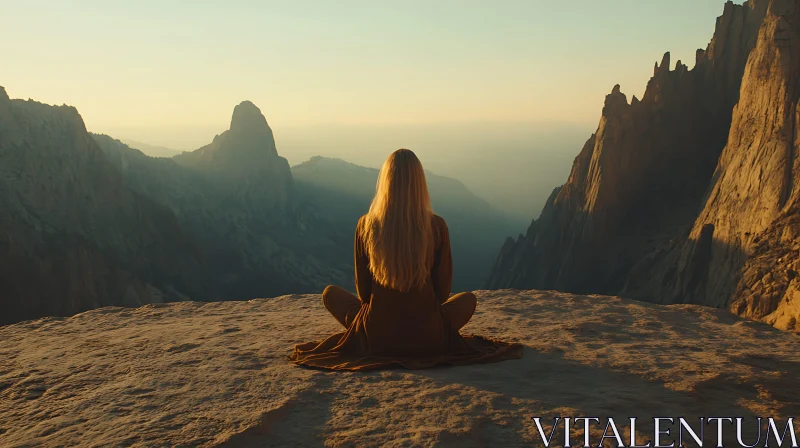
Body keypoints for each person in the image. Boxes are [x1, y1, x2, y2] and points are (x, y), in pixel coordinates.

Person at [289, 149, 522, 371]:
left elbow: (363, 293)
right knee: (468, 300)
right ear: (420, 184)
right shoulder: (437, 226)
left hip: (377, 337)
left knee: (331, 293)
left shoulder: (366, 225)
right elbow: (441, 295)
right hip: (429, 338)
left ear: (385, 182)